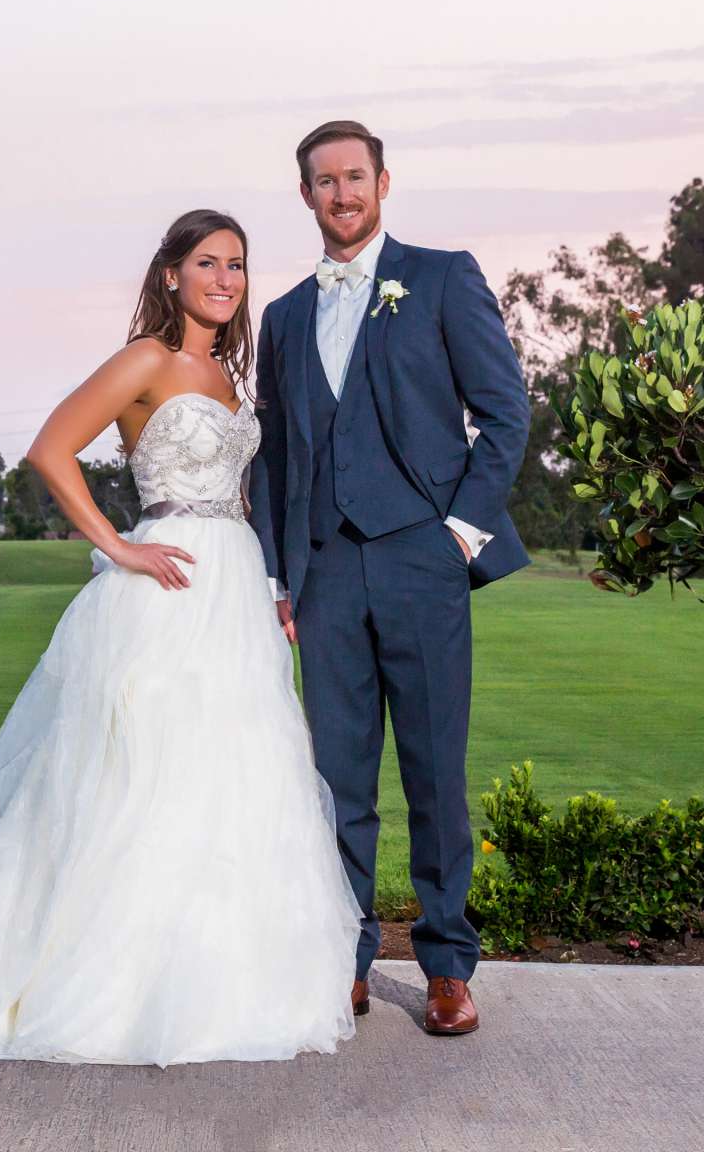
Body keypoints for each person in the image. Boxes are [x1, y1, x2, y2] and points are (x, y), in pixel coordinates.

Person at [0, 208, 360, 1065]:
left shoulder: (224, 373)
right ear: (171, 273)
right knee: (142, 772)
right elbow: (52, 449)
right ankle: (111, 986)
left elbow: (244, 490)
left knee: (233, 777)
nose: (224, 279)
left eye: (237, 265)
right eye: (207, 262)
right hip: (163, 583)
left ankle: (218, 982)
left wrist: (272, 585)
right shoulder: (146, 358)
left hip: (233, 586)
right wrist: (120, 544)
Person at [247, 119, 531, 1038]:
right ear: (306, 196)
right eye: (324, 181)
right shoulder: (283, 315)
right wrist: (282, 575)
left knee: (435, 773)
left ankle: (448, 965)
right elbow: (279, 458)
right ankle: (346, 954)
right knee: (337, 779)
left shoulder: (443, 276)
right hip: (324, 573)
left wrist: (457, 534)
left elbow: (505, 413)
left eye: (355, 176)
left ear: (383, 182)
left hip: (424, 560)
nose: (342, 193)